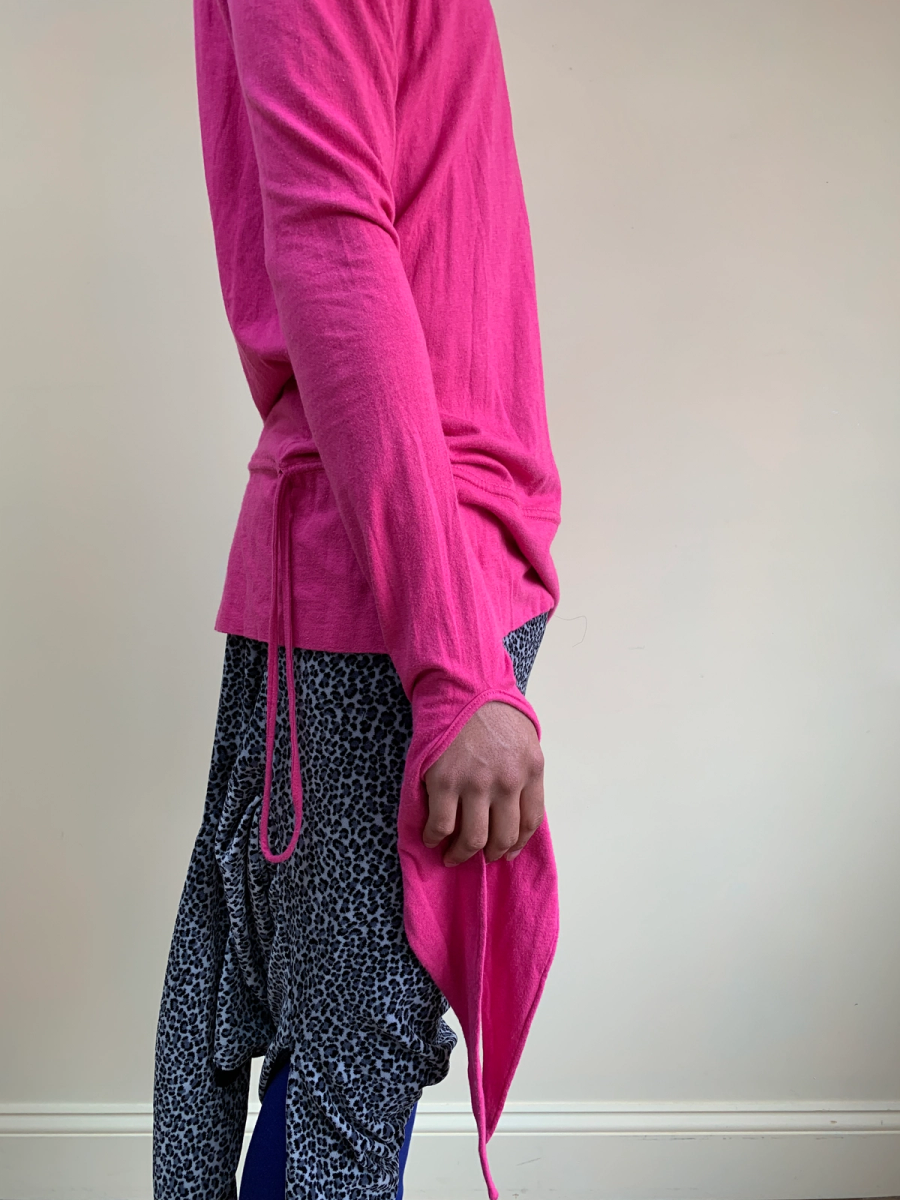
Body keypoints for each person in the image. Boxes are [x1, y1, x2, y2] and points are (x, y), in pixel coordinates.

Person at [152, 0, 562, 1197]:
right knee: (347, 1061)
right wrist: (454, 664)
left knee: (267, 1007)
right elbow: (331, 245)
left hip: (381, 548)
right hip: (405, 572)